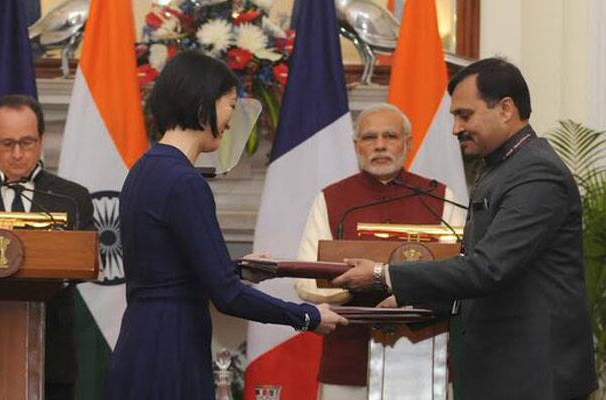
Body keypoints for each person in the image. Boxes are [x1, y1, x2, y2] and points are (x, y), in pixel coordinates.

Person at [332, 58, 598, 400]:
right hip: (503, 373)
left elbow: (489, 269)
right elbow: (491, 277)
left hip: (531, 378)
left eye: (464, 115)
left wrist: (385, 274)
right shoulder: (503, 167)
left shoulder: (536, 173)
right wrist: (410, 299)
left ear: (505, 109)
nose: (456, 128)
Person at [103, 50, 347, 400]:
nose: (232, 120)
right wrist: (306, 316)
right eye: (230, 105)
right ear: (204, 105)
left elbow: (170, 271)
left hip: (139, 340)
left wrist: (236, 270)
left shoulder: (143, 170)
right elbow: (228, 296)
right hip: (173, 348)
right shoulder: (185, 181)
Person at [295, 103, 466, 400]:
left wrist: (397, 287)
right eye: (369, 137)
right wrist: (357, 284)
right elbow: (305, 281)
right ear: (356, 146)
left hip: (424, 356)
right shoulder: (332, 198)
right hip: (350, 360)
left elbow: (462, 275)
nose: (380, 145)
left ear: (408, 143)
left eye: (390, 136)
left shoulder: (440, 197)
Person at [0, 94, 94, 400]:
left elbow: (86, 262)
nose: (18, 154)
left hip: (52, 349)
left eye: (27, 142)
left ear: (41, 140)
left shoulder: (71, 198)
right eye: (6, 144)